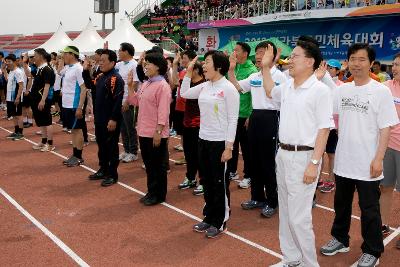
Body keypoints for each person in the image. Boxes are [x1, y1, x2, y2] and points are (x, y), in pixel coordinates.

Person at [320, 44, 399, 267]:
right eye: (353, 59)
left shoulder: (381, 91)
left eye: (362, 59)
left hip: (368, 163)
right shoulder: (342, 90)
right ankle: (340, 239)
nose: (356, 63)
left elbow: (386, 128)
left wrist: (378, 159)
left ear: (371, 63)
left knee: (369, 210)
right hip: (344, 160)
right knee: (341, 205)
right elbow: (333, 118)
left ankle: (372, 250)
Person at [263, 38, 334, 267]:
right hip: (283, 155)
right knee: (285, 212)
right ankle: (291, 259)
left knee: (299, 218)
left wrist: (314, 163)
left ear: (310, 61)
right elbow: (268, 90)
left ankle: (309, 264)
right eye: (290, 56)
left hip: (304, 157)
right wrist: (265, 67)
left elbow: (324, 130)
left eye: (295, 56)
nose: (289, 61)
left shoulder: (320, 91)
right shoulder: (286, 87)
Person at [181, 51, 240, 238]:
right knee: (206, 180)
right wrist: (188, 72)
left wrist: (229, 147)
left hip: (220, 143)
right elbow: (184, 94)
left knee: (219, 183)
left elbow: (233, 119)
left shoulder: (229, 88)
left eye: (207, 62)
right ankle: (208, 217)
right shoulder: (205, 86)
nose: (204, 66)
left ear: (219, 66)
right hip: (203, 140)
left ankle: (220, 221)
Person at [229, 41, 286, 217]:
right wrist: (231, 70)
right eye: (258, 53)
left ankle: (272, 201)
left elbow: (280, 101)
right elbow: (238, 87)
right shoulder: (255, 76)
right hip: (255, 118)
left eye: (263, 53)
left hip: (272, 118)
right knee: (254, 160)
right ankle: (257, 197)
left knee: (269, 162)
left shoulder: (280, 77)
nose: (259, 56)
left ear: (272, 56)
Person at [127, 53, 171, 206]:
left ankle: (159, 194)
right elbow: (135, 101)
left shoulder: (163, 86)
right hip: (144, 131)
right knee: (149, 164)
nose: (145, 66)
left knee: (158, 165)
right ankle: (151, 191)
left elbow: (163, 112)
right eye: (145, 63)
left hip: (155, 132)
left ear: (158, 66)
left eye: (148, 64)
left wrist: (158, 132)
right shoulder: (146, 83)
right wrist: (130, 86)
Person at [88, 50, 124, 187]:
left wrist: (114, 119)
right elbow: (91, 86)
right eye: (100, 60)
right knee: (101, 146)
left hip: (110, 120)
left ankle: (112, 174)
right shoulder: (101, 76)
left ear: (112, 62)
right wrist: (86, 71)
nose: (100, 62)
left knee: (111, 147)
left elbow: (118, 100)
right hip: (99, 118)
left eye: (103, 60)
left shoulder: (116, 78)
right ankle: (103, 169)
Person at [226, 41, 258, 188]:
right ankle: (232, 170)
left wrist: (251, 114)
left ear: (245, 53)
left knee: (247, 148)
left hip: (245, 114)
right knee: (231, 143)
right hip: (232, 113)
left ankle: (249, 174)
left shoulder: (251, 70)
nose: (234, 53)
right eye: (234, 50)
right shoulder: (234, 67)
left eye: (237, 50)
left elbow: (255, 95)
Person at [177, 60, 205, 196]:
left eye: (190, 69)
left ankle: (203, 181)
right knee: (188, 153)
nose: (187, 72)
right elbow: (182, 93)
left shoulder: (204, 84)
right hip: (187, 122)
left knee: (200, 155)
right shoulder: (187, 83)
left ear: (197, 70)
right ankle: (190, 177)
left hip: (200, 124)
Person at [380, 53, 400, 239]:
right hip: (387, 146)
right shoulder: (385, 88)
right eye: (393, 64)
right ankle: (383, 223)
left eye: (398, 65)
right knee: (385, 187)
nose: (394, 68)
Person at [59, 46, 88, 167]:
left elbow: (83, 88)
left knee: (78, 130)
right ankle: (74, 154)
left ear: (72, 54)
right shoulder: (67, 68)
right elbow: (59, 73)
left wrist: (80, 107)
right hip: (66, 103)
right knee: (73, 130)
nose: (63, 56)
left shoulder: (78, 69)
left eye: (65, 54)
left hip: (74, 104)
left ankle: (79, 156)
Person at [319, 59, 343, 193]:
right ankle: (318, 179)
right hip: (321, 125)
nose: (329, 69)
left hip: (334, 127)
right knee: (319, 153)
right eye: (327, 67)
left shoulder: (340, 86)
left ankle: (331, 180)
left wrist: (339, 128)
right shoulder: (319, 82)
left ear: (338, 71)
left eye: (332, 68)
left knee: (331, 154)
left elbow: (340, 109)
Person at [116, 43, 140, 163]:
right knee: (122, 127)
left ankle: (133, 152)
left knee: (130, 127)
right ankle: (126, 150)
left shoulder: (134, 65)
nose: (118, 52)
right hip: (119, 100)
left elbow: (135, 84)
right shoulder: (120, 65)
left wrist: (127, 100)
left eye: (120, 50)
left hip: (129, 101)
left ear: (126, 52)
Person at [30, 48, 56, 152]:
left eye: (35, 55)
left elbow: (47, 86)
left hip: (43, 99)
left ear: (41, 56)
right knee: (41, 121)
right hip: (36, 99)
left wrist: (43, 100)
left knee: (47, 121)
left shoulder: (47, 69)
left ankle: (50, 144)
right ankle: (43, 141)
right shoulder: (40, 68)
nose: (34, 58)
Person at [2, 54, 25, 140]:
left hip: (15, 97)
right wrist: (4, 69)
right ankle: (16, 131)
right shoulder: (11, 71)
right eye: (6, 61)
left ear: (14, 62)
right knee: (14, 115)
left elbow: (21, 85)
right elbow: (7, 80)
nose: (7, 63)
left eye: (9, 61)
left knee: (19, 115)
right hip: (10, 97)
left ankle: (21, 133)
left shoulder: (18, 72)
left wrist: (18, 97)